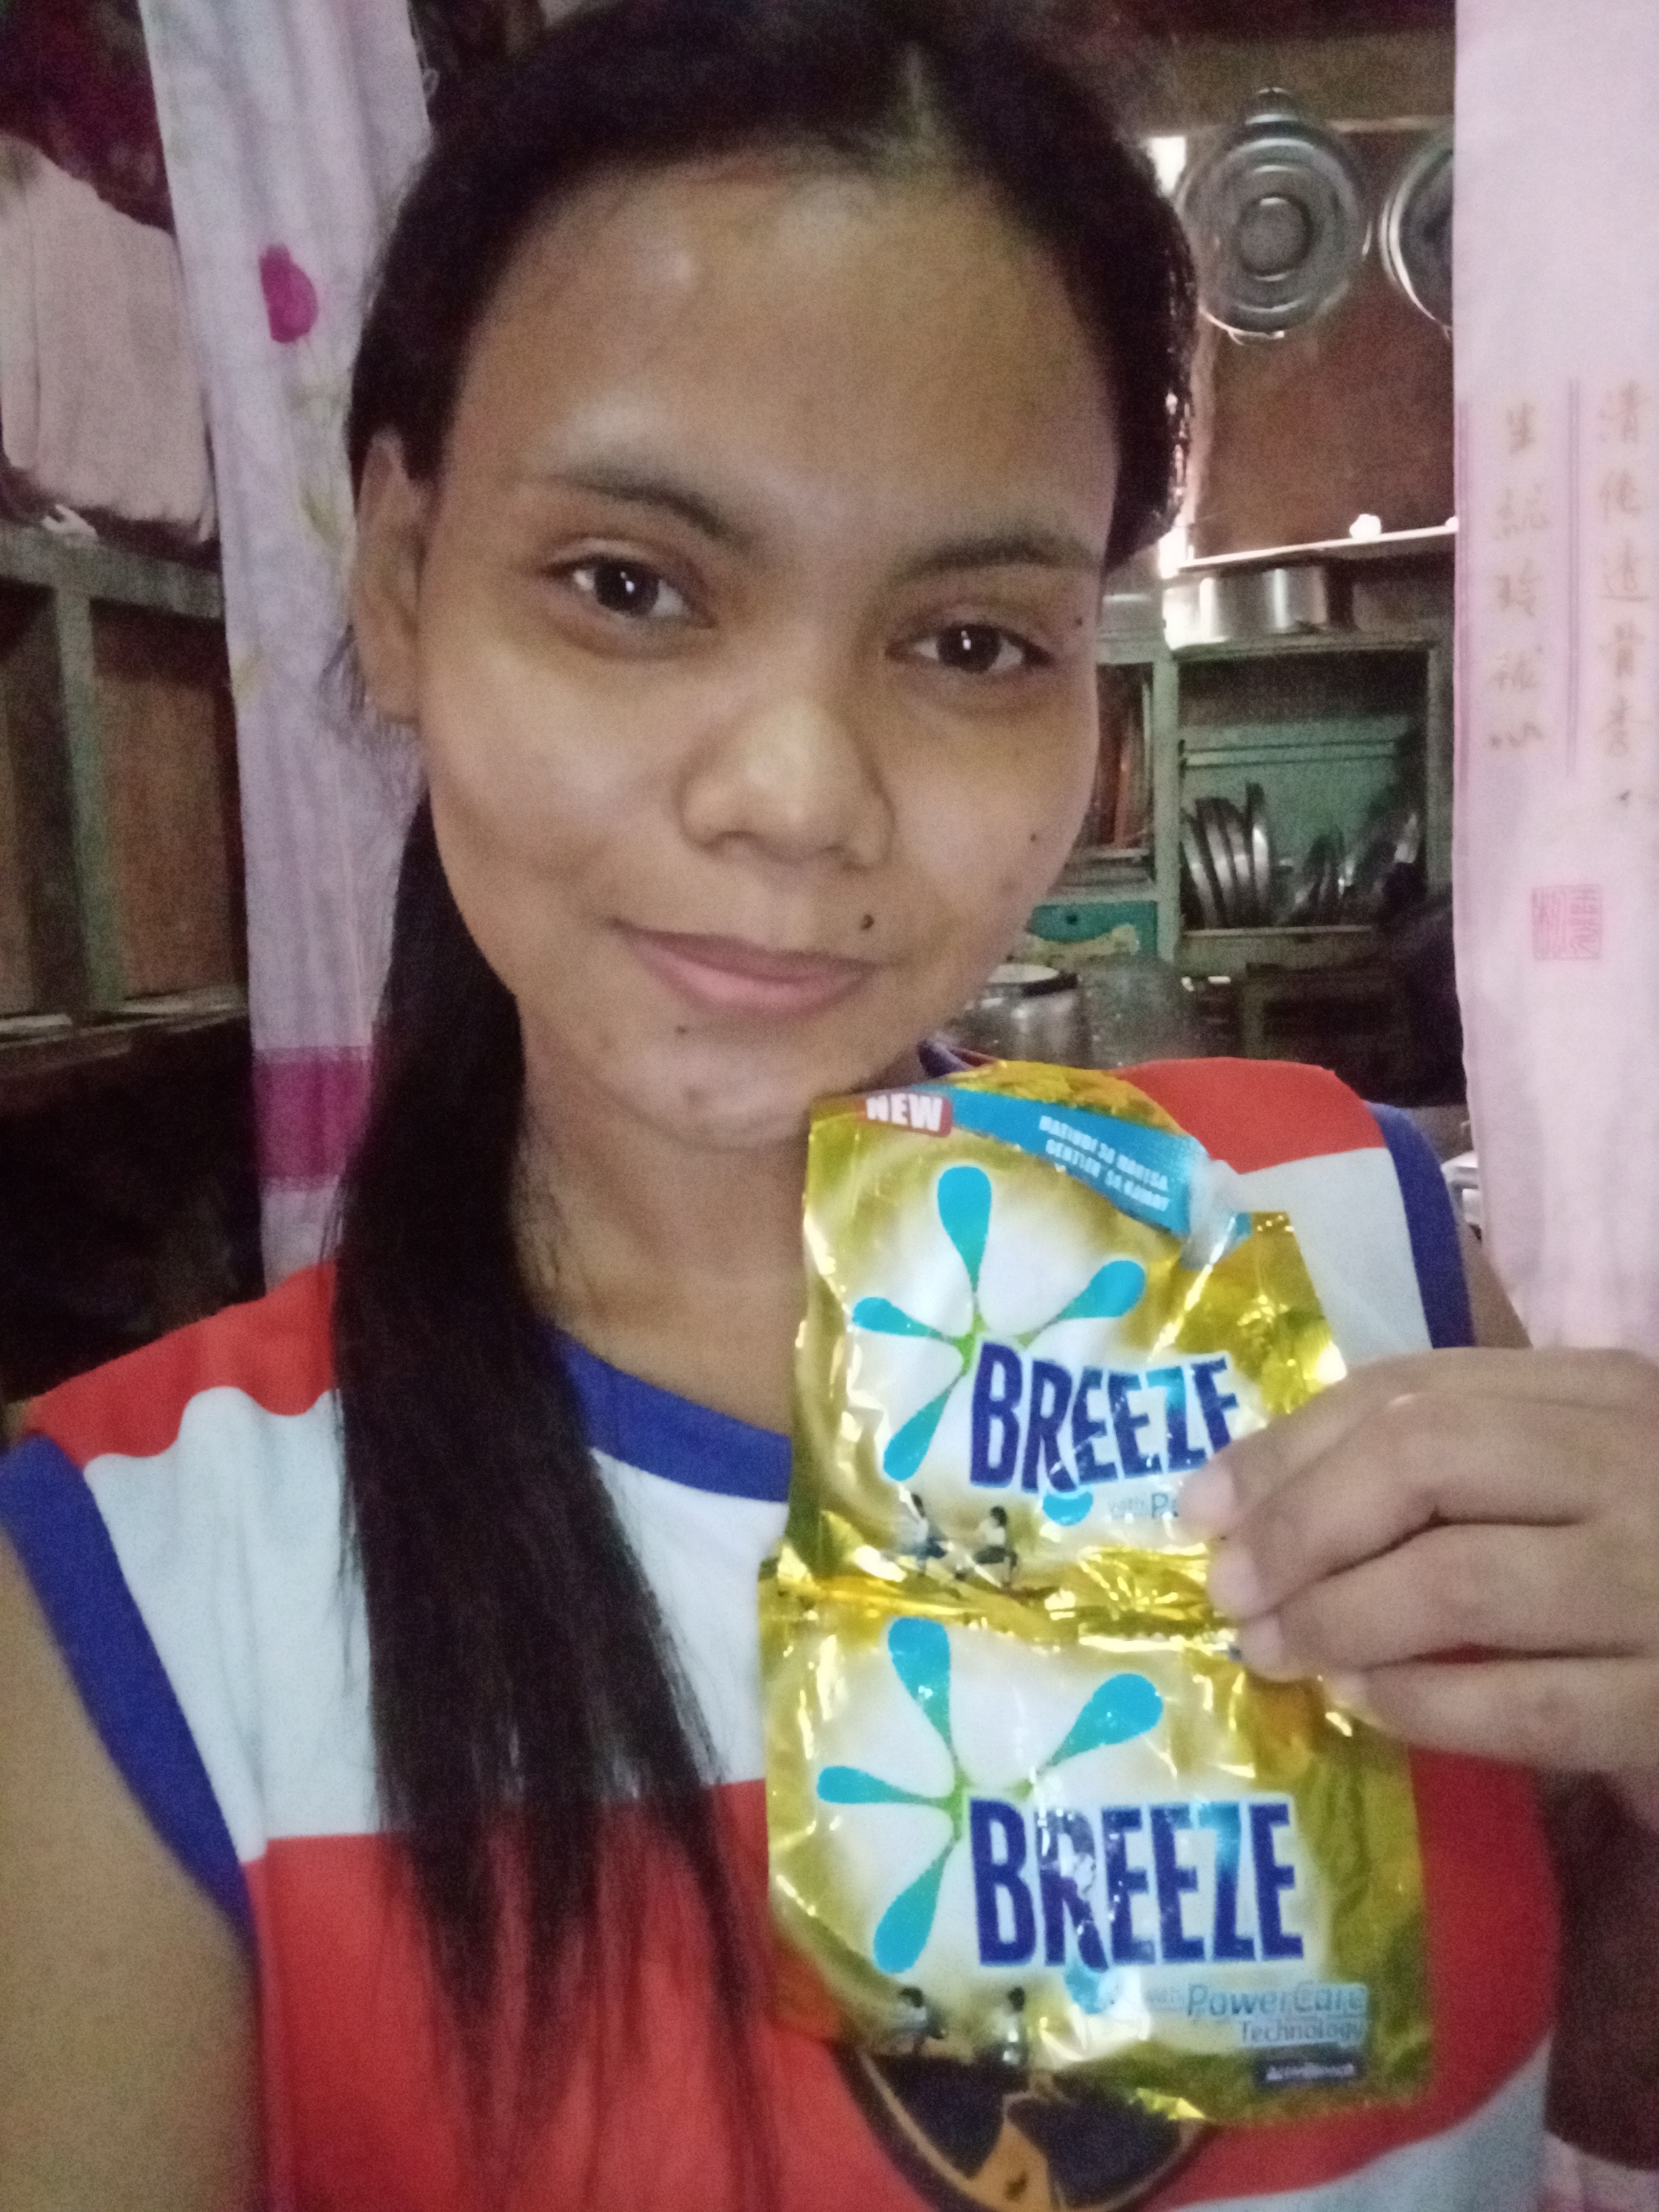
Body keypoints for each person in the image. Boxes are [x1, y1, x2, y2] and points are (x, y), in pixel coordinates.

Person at [1, 1, 1655, 2205]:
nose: (795, 792)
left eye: (970, 641)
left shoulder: (1352, 1235)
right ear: (398, 580)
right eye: (628, 585)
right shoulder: (127, 1582)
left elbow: (1594, 2070)